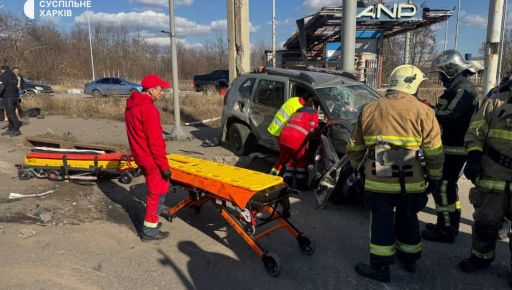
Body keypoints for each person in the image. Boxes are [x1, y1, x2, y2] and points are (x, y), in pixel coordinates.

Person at [347, 65, 444, 282]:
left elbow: (355, 146)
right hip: (413, 180)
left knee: (381, 221)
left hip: (378, 179)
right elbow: (435, 152)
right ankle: (409, 260)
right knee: (408, 218)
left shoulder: (369, 109)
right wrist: (435, 177)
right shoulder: (425, 112)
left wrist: (356, 167)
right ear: (412, 85)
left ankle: (380, 268)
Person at [421, 50, 478, 243]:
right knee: (448, 188)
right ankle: (447, 224)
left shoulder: (463, 90)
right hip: (450, 147)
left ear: (451, 70)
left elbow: (450, 116)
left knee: (443, 187)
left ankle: (445, 230)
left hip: (456, 149)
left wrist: (427, 111)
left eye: (442, 73)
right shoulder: (457, 88)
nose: (440, 77)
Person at [458, 82, 512, 285]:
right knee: (486, 221)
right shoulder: (496, 97)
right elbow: (476, 129)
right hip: (493, 171)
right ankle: (481, 258)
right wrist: (473, 156)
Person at [125, 74, 172, 242]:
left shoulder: (132, 105)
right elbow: (156, 143)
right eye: (160, 89)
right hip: (151, 159)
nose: (162, 93)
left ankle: (154, 220)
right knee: (155, 193)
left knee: (159, 189)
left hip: (140, 155)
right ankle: (149, 231)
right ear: (151, 89)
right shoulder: (149, 110)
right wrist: (164, 166)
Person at [277, 98, 319, 190]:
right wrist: (318, 135)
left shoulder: (298, 111)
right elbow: (313, 131)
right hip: (295, 141)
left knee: (291, 160)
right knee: (301, 160)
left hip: (283, 138)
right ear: (313, 106)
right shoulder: (313, 113)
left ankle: (287, 184)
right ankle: (301, 186)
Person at [268, 95, 307, 175]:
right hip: (280, 132)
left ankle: (276, 172)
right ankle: (275, 174)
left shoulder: (294, 99)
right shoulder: (299, 109)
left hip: (275, 127)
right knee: (285, 156)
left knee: (284, 156)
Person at [0, 65, 22, 137]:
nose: (1, 71)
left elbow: (2, 87)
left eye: (1, 70)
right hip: (15, 97)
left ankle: (17, 130)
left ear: (3, 70)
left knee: (11, 113)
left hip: (8, 97)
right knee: (11, 113)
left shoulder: (4, 76)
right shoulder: (14, 77)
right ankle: (10, 129)